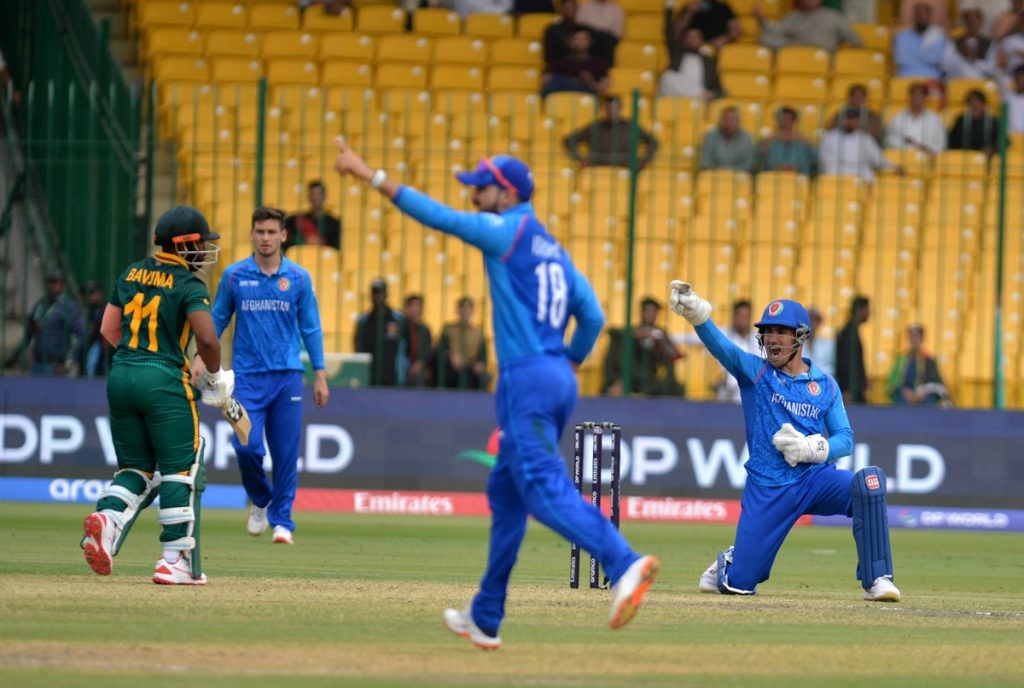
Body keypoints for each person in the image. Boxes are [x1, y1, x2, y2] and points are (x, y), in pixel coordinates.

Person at [332, 140, 659, 648]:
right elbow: (592, 315)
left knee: (543, 487)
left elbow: (440, 218)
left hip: (526, 379)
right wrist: (566, 362)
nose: (474, 194)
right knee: (505, 496)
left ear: (506, 193)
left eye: (481, 187)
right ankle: (486, 615)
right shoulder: (554, 247)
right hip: (552, 376)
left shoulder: (507, 232)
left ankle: (625, 562)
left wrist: (368, 174)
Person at [668, 281, 901, 602]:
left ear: (800, 336)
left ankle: (878, 579)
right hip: (769, 488)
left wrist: (813, 449)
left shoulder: (825, 384)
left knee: (870, 483)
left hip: (814, 479)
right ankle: (732, 561)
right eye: (768, 331)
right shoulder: (755, 372)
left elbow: (845, 439)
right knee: (739, 586)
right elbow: (724, 349)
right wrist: (697, 314)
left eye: (782, 331)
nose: (773, 338)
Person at [80, 205, 231, 586]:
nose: (204, 250)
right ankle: (174, 560)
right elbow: (208, 338)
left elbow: (108, 328)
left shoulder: (131, 272)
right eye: (200, 243)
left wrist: (136, 360)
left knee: (136, 470)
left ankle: (108, 520)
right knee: (182, 468)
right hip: (163, 380)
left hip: (122, 374)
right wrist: (213, 376)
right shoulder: (189, 284)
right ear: (183, 245)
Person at [195, 206, 330, 546]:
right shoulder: (235, 276)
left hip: (287, 378)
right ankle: (260, 497)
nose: (266, 238)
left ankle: (282, 521)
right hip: (247, 380)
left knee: (285, 454)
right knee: (246, 446)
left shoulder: (298, 278)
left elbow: (311, 328)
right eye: (261, 232)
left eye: (272, 232)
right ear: (252, 235)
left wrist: (321, 374)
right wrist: (200, 355)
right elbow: (218, 318)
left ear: (284, 236)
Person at [3, 271, 85, 376]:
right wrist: (15, 357)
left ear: (62, 285)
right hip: (38, 364)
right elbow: (29, 333)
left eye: (55, 282)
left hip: (57, 366)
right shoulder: (41, 304)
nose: (52, 285)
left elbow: (81, 334)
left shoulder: (68, 307)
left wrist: (69, 362)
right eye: (50, 282)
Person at [602, 296, 684, 397]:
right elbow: (611, 331)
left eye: (654, 312)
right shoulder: (630, 332)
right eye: (648, 311)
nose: (651, 315)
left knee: (675, 387)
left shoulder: (659, 333)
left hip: (648, 378)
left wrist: (660, 342)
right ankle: (614, 383)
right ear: (642, 312)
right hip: (629, 375)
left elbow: (674, 354)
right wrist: (638, 335)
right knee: (617, 342)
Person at [563, 95, 659, 168]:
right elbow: (569, 140)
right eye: (608, 109)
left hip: (626, 167)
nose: (611, 112)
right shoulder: (595, 126)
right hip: (598, 168)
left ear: (620, 109)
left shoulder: (631, 126)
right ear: (604, 110)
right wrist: (580, 158)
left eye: (614, 109)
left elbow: (653, 141)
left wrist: (645, 160)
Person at [819, 107, 900, 182]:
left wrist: (893, 167)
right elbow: (825, 162)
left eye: (855, 119)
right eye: (849, 118)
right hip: (837, 176)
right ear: (843, 120)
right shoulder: (829, 137)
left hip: (862, 176)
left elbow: (878, 159)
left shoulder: (866, 138)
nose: (851, 122)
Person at [757, 0, 863, 52]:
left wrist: (852, 51)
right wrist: (760, 18)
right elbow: (774, 31)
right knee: (765, 38)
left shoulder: (834, 16)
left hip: (826, 53)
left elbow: (853, 37)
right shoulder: (793, 16)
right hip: (797, 51)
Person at [886, 324, 950, 405]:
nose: (913, 340)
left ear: (922, 338)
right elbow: (893, 382)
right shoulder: (901, 359)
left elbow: (936, 383)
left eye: (916, 337)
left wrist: (923, 393)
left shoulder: (929, 359)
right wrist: (904, 391)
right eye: (911, 337)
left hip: (925, 397)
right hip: (904, 397)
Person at [354, 278, 402, 386]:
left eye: (381, 293)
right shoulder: (363, 321)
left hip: (392, 373)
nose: (378, 297)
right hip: (370, 373)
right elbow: (358, 347)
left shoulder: (397, 319)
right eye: (375, 293)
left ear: (386, 294)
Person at [658, 25, 724, 101]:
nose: (693, 40)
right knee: (667, 76)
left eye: (696, 37)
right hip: (675, 96)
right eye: (690, 37)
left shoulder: (709, 62)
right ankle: (700, 93)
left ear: (702, 40)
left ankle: (700, 94)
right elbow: (670, 32)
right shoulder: (677, 54)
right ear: (685, 41)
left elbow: (718, 89)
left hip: (698, 102)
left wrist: (714, 94)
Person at [436, 295, 490, 390]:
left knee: (483, 376)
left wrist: (480, 364)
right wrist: (451, 355)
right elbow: (440, 349)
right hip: (453, 367)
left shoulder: (478, 332)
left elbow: (483, 355)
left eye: (468, 308)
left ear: (472, 311)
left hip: (471, 367)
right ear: (458, 310)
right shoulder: (449, 329)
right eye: (463, 308)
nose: (465, 311)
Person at [541, 27, 611, 98]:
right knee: (557, 79)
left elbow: (603, 87)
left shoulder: (599, 63)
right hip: (561, 97)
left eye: (583, 39)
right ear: (569, 42)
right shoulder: (558, 62)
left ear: (590, 42)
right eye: (576, 39)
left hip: (586, 96)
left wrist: (590, 82)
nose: (580, 42)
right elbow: (545, 81)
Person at [884, 82, 947, 156]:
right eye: (914, 95)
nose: (916, 98)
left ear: (925, 98)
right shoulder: (898, 118)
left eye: (920, 95)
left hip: (927, 159)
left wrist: (925, 150)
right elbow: (890, 140)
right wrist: (910, 150)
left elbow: (941, 144)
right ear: (909, 97)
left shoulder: (935, 120)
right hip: (903, 158)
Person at [715, 299, 759, 402]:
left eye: (746, 316)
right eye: (741, 316)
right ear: (734, 317)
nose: (743, 320)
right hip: (727, 392)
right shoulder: (724, 335)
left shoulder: (757, 339)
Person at [893, 3, 948, 79]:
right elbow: (901, 59)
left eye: (924, 14)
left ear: (929, 16)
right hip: (905, 75)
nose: (921, 17)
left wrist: (916, 56)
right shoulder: (901, 36)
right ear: (914, 16)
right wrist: (925, 55)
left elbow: (936, 59)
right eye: (918, 14)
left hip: (932, 77)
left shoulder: (938, 36)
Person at [284, 180, 341, 251]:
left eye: (319, 194)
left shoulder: (334, 222)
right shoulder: (296, 219)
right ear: (308, 196)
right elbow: (287, 241)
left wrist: (321, 242)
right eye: (313, 194)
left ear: (325, 196)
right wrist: (305, 241)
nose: (316, 197)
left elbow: (336, 248)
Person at [940, 8, 997, 80]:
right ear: (965, 23)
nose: (972, 22)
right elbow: (945, 66)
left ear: (981, 22)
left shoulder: (990, 44)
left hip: (980, 83)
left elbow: (991, 69)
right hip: (959, 81)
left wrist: (973, 58)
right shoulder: (954, 42)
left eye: (975, 20)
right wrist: (961, 55)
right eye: (969, 19)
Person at [759, 106, 817, 175]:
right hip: (773, 176)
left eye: (788, 119)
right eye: (782, 119)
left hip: (799, 177)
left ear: (794, 121)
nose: (785, 122)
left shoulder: (804, 141)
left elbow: (814, 161)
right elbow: (760, 160)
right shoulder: (769, 140)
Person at [835, 294, 870, 404]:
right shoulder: (849, 333)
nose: (869, 313)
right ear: (859, 310)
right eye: (867, 309)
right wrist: (846, 389)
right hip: (850, 392)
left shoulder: (851, 330)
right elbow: (844, 363)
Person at [700, 106, 756, 172]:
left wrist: (729, 170)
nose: (731, 123)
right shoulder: (710, 136)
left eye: (734, 120)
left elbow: (749, 164)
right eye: (728, 119)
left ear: (738, 121)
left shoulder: (747, 137)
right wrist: (717, 169)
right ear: (722, 121)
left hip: (738, 176)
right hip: (714, 174)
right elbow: (705, 161)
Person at [670, 0, 741, 50]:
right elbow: (676, 33)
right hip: (691, 49)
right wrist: (689, 13)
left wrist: (725, 39)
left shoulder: (723, 7)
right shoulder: (689, 7)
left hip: (715, 49)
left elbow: (736, 31)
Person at [947, 89, 1000, 153]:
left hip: (988, 158)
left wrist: (992, 149)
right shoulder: (961, 120)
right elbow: (952, 141)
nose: (974, 104)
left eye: (977, 101)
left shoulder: (992, 121)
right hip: (964, 158)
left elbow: (1003, 141)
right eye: (970, 102)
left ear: (983, 104)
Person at [400, 293, 434, 387]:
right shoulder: (400, 327)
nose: (416, 308)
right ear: (406, 307)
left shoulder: (425, 329)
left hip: (420, 367)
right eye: (413, 305)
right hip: (402, 367)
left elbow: (428, 350)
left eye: (419, 305)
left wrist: (421, 363)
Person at [83, 280, 112, 377]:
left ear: (100, 294)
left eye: (91, 293)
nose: (88, 296)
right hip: (95, 349)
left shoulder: (104, 310)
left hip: (104, 352)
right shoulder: (91, 310)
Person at [803, 306, 836, 376]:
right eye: (809, 319)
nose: (812, 323)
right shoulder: (797, 345)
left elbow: (832, 367)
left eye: (815, 320)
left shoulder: (828, 345)